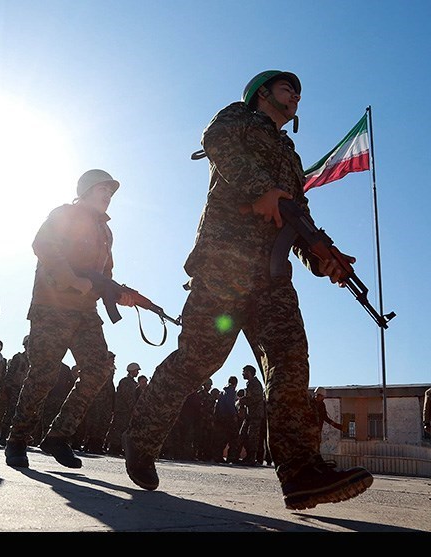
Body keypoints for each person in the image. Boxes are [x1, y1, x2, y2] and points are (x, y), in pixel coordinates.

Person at [123, 70, 373, 511]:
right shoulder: (237, 118)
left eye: (298, 92)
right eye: (286, 88)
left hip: (271, 278)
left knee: (290, 362)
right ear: (262, 93)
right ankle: (140, 440)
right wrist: (262, 190)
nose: (295, 95)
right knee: (198, 361)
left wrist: (323, 257)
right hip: (224, 264)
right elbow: (215, 140)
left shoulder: (291, 156)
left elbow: (294, 216)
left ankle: (300, 474)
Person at [4, 169, 135, 470]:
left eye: (111, 191)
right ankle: (17, 440)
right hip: (52, 307)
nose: (108, 195)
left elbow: (105, 276)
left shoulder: (106, 232)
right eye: (103, 188)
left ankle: (58, 436)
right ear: (86, 189)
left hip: (86, 312)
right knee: (44, 374)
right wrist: (72, 280)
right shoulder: (65, 214)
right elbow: (44, 246)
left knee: (99, 368)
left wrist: (119, 295)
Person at [0, 335, 30, 446]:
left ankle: (18, 438)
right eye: (28, 344)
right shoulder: (18, 358)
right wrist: (7, 389)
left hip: (27, 390)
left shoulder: (35, 360)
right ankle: (3, 437)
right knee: (10, 412)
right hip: (15, 389)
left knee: (25, 414)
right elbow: (10, 373)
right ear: (24, 345)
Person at [105, 362, 140, 456]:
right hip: (122, 409)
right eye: (136, 370)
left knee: (124, 429)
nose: (138, 373)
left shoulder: (132, 382)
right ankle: (113, 447)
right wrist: (133, 408)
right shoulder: (126, 382)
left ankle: (119, 447)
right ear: (132, 371)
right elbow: (128, 396)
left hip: (126, 410)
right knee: (119, 428)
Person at [240, 364, 266, 466]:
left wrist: (243, 401)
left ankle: (252, 458)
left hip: (255, 415)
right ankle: (249, 456)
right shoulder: (250, 383)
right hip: (249, 415)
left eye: (244, 372)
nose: (243, 374)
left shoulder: (255, 384)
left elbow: (256, 398)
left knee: (253, 437)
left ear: (249, 373)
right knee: (242, 435)